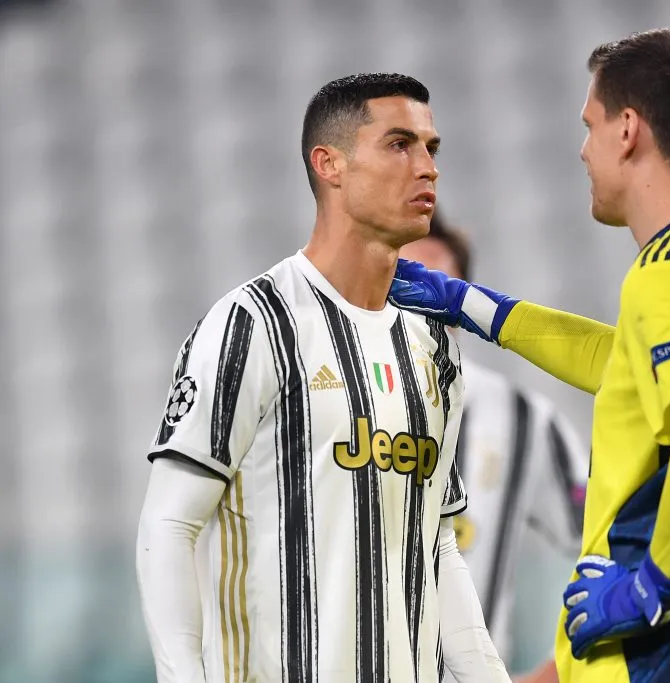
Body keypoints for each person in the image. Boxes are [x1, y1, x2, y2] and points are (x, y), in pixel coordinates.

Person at [387, 29, 670, 683]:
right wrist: (473, 306)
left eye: (590, 126)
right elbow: (631, 368)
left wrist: (652, 584)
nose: (583, 150)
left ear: (628, 131)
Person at [136, 73, 511, 683]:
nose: (427, 168)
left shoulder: (434, 346)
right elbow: (169, 525)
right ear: (329, 164)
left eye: (431, 147)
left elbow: (435, 543)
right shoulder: (253, 323)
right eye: (399, 144)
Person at [399, 211, 589, 683]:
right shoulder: (318, 403)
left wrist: (557, 671)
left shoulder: (521, 418)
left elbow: (620, 544)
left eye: (436, 292)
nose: (418, 309)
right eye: (401, 287)